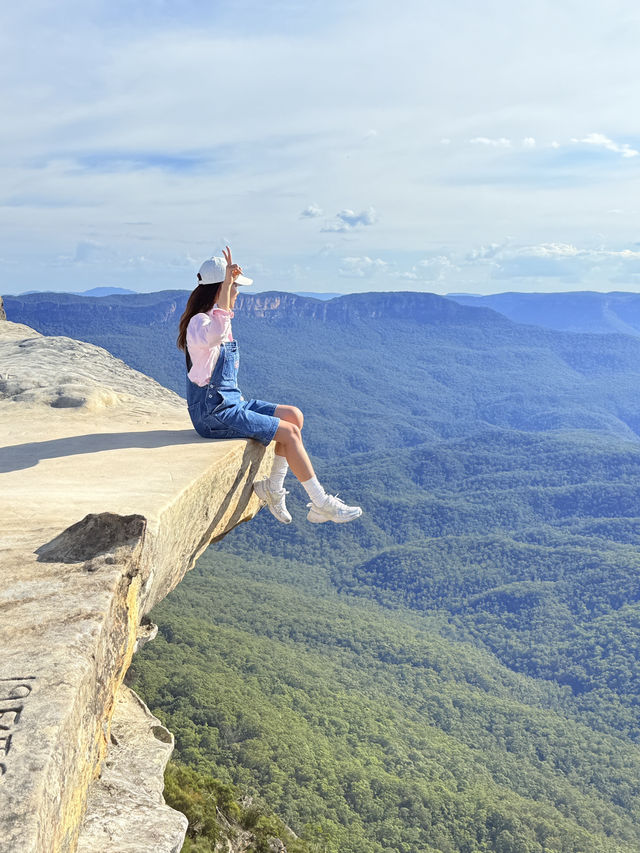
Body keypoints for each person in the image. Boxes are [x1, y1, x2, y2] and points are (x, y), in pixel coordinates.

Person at [177, 246, 362, 526]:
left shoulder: (216, 319)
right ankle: (321, 503)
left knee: (294, 416)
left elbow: (221, 333)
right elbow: (215, 333)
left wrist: (225, 286)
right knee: (287, 433)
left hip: (231, 403)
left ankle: (272, 488)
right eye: (234, 288)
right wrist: (228, 284)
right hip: (212, 414)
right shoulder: (200, 323)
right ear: (219, 289)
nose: (238, 293)